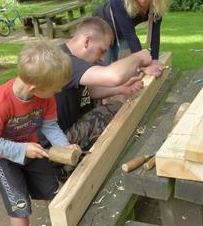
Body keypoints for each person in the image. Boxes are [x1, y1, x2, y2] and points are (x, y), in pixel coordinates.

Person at [0, 41, 80, 226]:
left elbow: (50, 124)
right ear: (34, 88)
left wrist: (63, 146)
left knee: (52, 191)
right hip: (4, 158)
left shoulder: (45, 97)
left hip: (32, 149)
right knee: (19, 205)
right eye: (55, 89)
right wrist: (22, 149)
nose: (57, 93)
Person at [54, 16, 165, 152]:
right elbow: (114, 76)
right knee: (114, 109)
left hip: (64, 128)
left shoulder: (66, 55)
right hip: (55, 143)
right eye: (102, 51)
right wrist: (138, 57)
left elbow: (91, 91)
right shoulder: (66, 62)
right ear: (87, 41)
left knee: (99, 105)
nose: (102, 58)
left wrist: (119, 89)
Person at [93, 0, 171, 64]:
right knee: (104, 65)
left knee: (126, 65)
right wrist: (144, 63)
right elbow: (130, 35)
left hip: (122, 31)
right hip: (100, 27)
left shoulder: (156, 2)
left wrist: (154, 60)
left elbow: (155, 34)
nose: (143, 0)